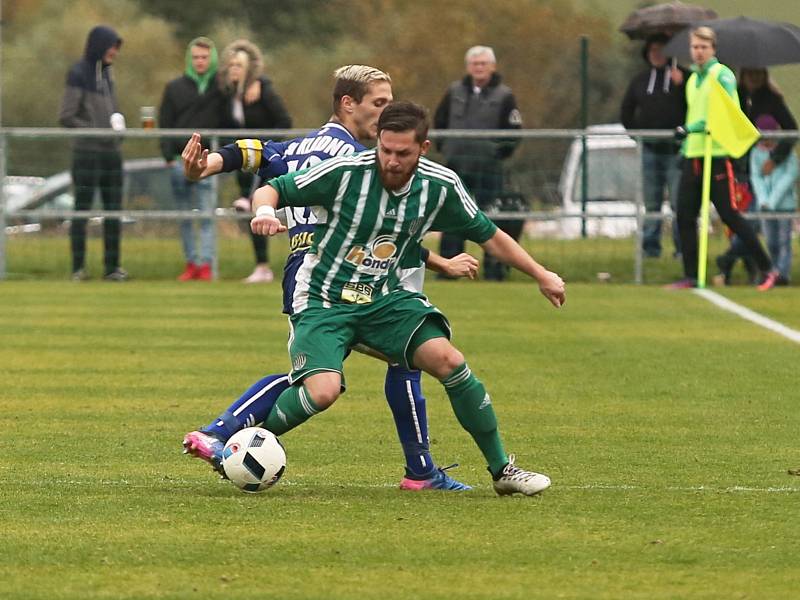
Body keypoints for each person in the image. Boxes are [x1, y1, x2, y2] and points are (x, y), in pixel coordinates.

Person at [182, 66, 479, 491]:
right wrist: (441, 262)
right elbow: (378, 232)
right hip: (335, 276)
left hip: (302, 270)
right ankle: (223, 435)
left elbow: (248, 152)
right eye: (380, 103)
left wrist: (202, 167)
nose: (387, 111)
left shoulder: (300, 145)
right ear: (347, 103)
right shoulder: (356, 161)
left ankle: (219, 434)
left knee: (330, 377)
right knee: (395, 354)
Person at [248, 101, 565, 496]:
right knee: (324, 391)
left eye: (403, 153)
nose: (392, 161)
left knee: (450, 361)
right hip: (323, 297)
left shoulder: (439, 185)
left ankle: (502, 470)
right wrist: (263, 211)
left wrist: (541, 274)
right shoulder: (347, 173)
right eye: (385, 150)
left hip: (383, 300)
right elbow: (273, 187)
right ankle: (247, 446)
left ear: (424, 148)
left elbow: (488, 234)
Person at [670, 27, 780, 291]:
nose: (698, 52)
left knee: (729, 214)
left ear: (713, 49)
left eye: (703, 47)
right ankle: (691, 274)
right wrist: (687, 141)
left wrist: (695, 127)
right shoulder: (692, 80)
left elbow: (728, 112)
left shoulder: (723, 75)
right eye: (695, 47)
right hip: (694, 153)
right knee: (684, 215)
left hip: (716, 154)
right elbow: (694, 112)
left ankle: (768, 268)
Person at [433, 46, 523, 281]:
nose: (479, 68)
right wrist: (448, 149)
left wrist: (495, 153)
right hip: (457, 166)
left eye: (483, 63)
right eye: (475, 63)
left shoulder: (505, 95)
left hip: (488, 169)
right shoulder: (454, 92)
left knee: (491, 218)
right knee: (452, 215)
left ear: (492, 66)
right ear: (468, 67)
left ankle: (495, 270)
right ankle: (449, 269)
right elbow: (439, 122)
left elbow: (514, 131)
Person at [218, 39, 293, 284]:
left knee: (259, 207)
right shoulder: (230, 95)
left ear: (250, 68)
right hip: (244, 164)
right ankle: (262, 266)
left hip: (265, 160)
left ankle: (271, 265)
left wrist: (266, 146)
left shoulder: (263, 90)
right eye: (231, 65)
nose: (234, 70)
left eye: (239, 65)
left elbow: (284, 121)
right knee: (254, 213)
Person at [714, 67, 798, 285]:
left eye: (758, 73)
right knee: (738, 222)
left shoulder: (772, 100)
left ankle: (730, 260)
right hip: (738, 168)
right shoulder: (734, 96)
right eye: (750, 73)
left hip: (762, 170)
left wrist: (774, 158)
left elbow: (791, 131)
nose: (754, 77)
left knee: (753, 224)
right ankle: (747, 267)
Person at [59, 25, 127, 282]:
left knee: (113, 210)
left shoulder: (109, 76)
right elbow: (66, 116)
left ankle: (112, 267)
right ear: (99, 45)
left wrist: (117, 124)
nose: (114, 52)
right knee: (82, 210)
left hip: (112, 154)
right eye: (111, 46)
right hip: (86, 153)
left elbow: (110, 111)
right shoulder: (78, 73)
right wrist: (98, 131)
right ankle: (78, 268)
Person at [159, 37, 226, 281]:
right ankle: (191, 264)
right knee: (186, 217)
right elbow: (164, 123)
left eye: (204, 57)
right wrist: (167, 155)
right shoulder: (174, 88)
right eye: (196, 57)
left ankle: (207, 265)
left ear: (212, 59)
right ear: (190, 59)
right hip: (179, 161)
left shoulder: (221, 90)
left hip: (209, 161)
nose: (200, 61)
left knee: (207, 215)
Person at [620, 33, 687, 258]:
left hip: (677, 152)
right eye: (652, 51)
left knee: (680, 203)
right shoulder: (639, 81)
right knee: (651, 203)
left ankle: (682, 248)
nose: (656, 55)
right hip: (650, 151)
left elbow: (694, 106)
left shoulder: (684, 78)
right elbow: (626, 112)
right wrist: (638, 136)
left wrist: (682, 85)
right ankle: (650, 248)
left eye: (661, 50)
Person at [749, 114, 798, 285]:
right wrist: (763, 200)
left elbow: (790, 175)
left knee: (784, 240)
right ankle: (773, 271)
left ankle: (782, 275)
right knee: (770, 241)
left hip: (784, 206)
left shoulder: (785, 154)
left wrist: (772, 201)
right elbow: (756, 177)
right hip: (765, 207)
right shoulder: (756, 153)